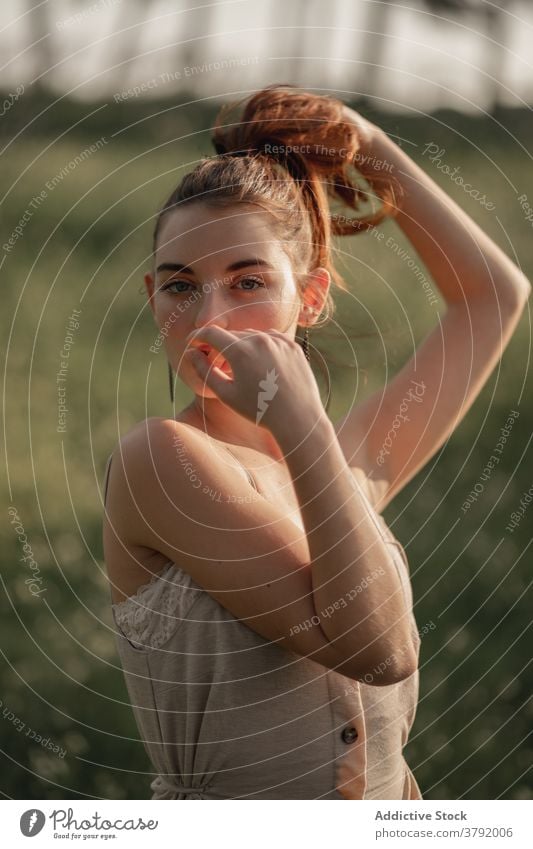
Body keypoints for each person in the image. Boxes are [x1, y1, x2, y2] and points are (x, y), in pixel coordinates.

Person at [102, 84, 531, 800]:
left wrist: (363, 139)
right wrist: (299, 424)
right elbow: (380, 649)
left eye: (247, 280)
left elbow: (492, 294)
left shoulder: (344, 459)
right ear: (154, 298)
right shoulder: (161, 458)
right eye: (181, 287)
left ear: (309, 296)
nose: (211, 317)